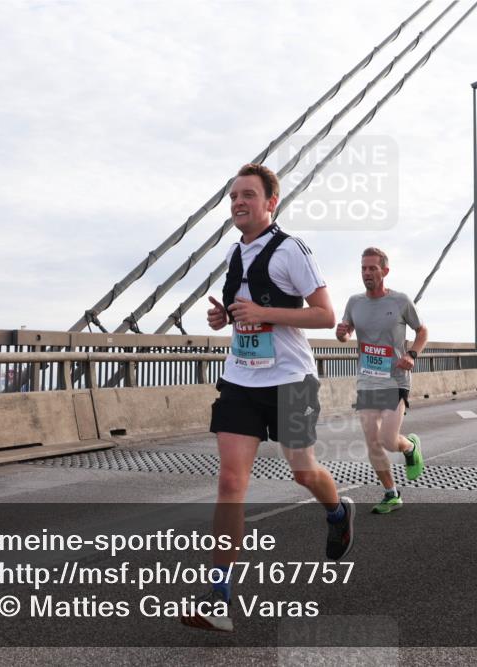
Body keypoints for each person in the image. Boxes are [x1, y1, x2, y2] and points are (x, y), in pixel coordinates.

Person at [182, 163, 352, 633]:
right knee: (230, 483)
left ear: (271, 202)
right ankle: (219, 594)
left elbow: (323, 315)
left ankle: (337, 512)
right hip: (241, 379)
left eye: (248, 195)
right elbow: (247, 314)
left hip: (292, 380)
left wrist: (263, 313)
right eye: (234, 195)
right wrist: (229, 319)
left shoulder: (291, 250)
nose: (238, 202)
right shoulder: (235, 255)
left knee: (303, 472)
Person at [336, 247, 428, 514]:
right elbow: (346, 333)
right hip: (367, 379)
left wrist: (412, 354)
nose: (367, 273)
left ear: (384, 271)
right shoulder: (354, 302)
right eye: (363, 268)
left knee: (388, 440)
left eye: (372, 268)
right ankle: (391, 493)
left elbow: (422, 330)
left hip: (395, 378)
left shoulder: (400, 301)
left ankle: (409, 447)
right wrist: (342, 333)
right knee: (371, 440)